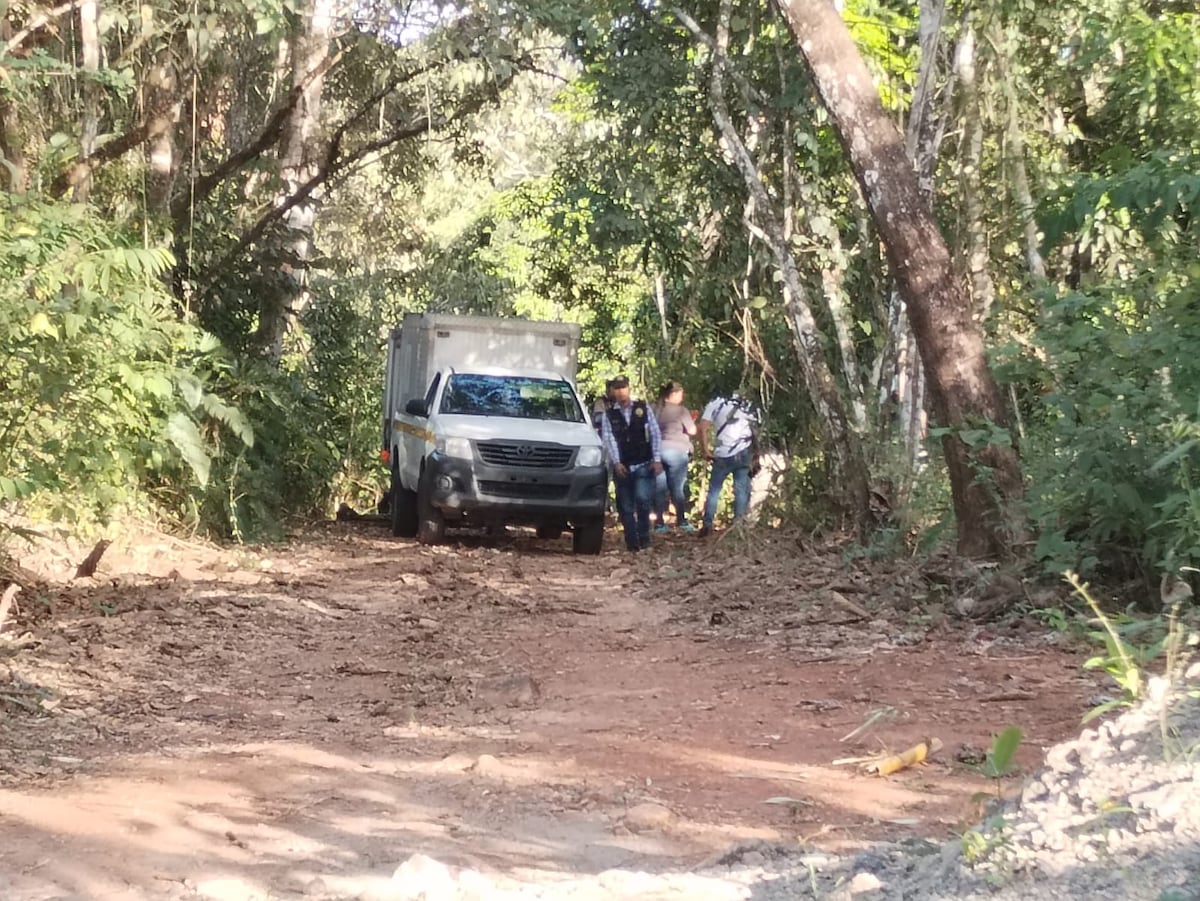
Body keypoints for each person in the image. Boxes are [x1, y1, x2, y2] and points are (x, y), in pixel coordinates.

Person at [600, 375, 664, 551]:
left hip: (643, 463)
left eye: (623, 388)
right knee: (626, 507)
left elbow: (655, 433)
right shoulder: (609, 415)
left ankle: (644, 537)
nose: (621, 392)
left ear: (629, 389)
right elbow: (608, 439)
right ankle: (632, 542)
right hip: (623, 466)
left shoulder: (642, 408)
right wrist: (616, 462)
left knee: (643, 500)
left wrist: (657, 459)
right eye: (617, 388)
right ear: (613, 391)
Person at [696, 390, 761, 536]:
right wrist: (756, 454)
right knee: (741, 490)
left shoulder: (715, 403)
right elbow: (755, 431)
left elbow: (703, 427)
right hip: (743, 452)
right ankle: (738, 526)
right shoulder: (747, 405)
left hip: (722, 453)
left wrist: (705, 450)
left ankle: (707, 524)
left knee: (714, 490)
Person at [651, 380, 696, 533]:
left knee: (660, 488)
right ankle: (681, 521)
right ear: (674, 394)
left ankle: (659, 522)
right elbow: (692, 430)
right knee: (677, 488)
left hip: (657, 452)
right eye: (680, 394)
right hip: (677, 451)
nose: (682, 398)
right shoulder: (681, 411)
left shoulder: (654, 409)